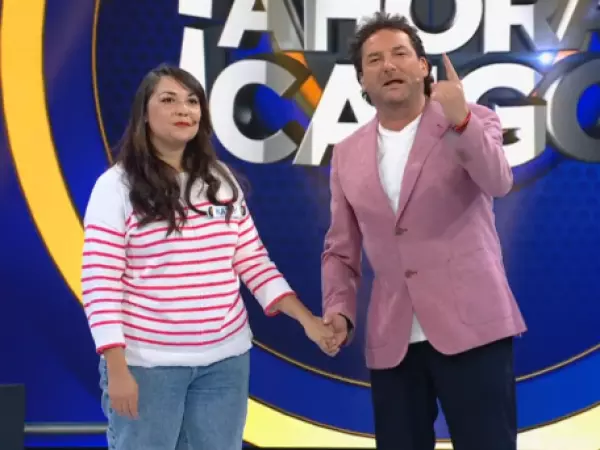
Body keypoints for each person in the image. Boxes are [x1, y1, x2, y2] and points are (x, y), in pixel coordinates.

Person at [81, 63, 333, 450]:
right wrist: (116, 367)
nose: (184, 110)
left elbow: (253, 262)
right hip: (147, 365)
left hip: (224, 364)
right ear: (144, 114)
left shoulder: (221, 181)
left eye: (192, 101)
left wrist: (307, 320)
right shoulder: (115, 187)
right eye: (169, 100)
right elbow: (100, 283)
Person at [320, 12, 527, 450]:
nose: (388, 65)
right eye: (374, 60)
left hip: (473, 328)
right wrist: (339, 309)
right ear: (362, 80)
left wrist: (462, 121)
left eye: (400, 54)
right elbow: (340, 249)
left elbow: (499, 182)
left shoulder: (471, 120)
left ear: (422, 66)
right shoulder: (346, 154)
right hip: (393, 340)